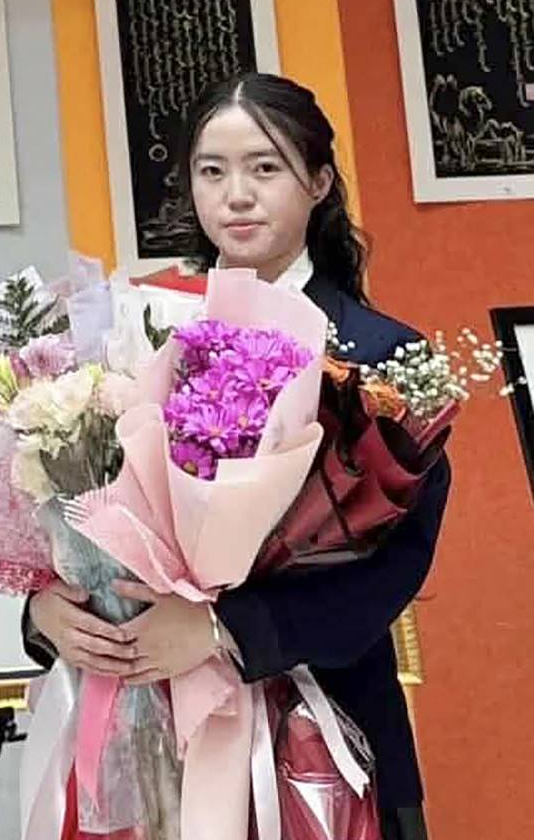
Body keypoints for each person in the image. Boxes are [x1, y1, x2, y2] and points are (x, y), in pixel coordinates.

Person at [23, 73, 451, 840]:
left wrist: (223, 629)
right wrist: (45, 610)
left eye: (265, 167)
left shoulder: (382, 357)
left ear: (318, 181)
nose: (237, 196)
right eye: (212, 171)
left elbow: (394, 569)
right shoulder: (144, 333)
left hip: (324, 737)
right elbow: (82, 516)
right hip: (149, 754)